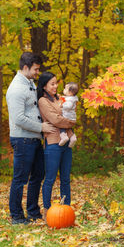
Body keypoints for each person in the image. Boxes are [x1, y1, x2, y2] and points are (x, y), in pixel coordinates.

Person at [6, 52, 56, 225]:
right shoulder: (16, 89)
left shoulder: (30, 84)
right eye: (35, 69)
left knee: (38, 174)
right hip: (22, 139)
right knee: (20, 178)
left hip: (34, 139)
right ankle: (17, 216)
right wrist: (41, 127)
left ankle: (33, 212)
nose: (37, 72)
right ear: (25, 67)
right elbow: (19, 118)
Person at [37, 72, 76, 219]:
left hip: (66, 143)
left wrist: (66, 119)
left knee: (65, 178)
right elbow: (56, 120)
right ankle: (47, 210)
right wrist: (70, 122)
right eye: (52, 84)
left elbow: (71, 112)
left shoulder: (61, 98)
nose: (55, 86)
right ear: (45, 85)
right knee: (50, 178)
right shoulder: (43, 101)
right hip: (53, 143)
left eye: (56, 83)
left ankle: (66, 209)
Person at [59, 82, 79, 147]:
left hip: (67, 117)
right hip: (72, 118)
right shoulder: (72, 98)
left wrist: (62, 105)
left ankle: (63, 136)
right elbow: (64, 98)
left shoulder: (70, 100)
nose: (64, 90)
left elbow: (69, 106)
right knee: (69, 128)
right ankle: (73, 137)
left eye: (65, 88)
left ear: (70, 92)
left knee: (60, 126)